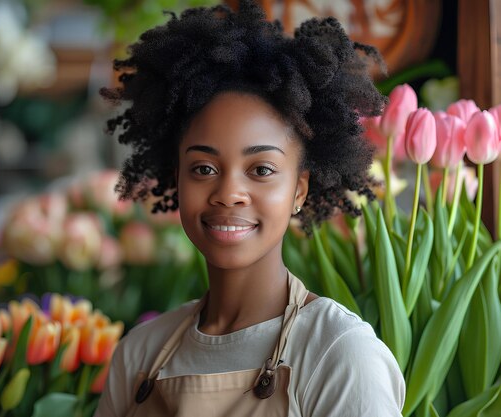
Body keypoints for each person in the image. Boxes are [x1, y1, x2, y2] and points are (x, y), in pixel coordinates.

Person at [94, 1, 405, 416]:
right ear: (177, 178)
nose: (229, 193)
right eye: (204, 167)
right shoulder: (137, 356)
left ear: (299, 190)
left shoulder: (339, 354)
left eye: (260, 169)